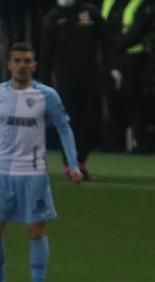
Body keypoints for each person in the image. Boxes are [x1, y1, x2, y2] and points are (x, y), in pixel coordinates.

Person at [0, 42, 82, 282]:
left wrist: (73, 164)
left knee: (36, 230)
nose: (22, 65)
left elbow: (64, 128)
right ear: (9, 64)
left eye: (27, 61)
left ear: (34, 65)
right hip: (2, 173)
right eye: (17, 60)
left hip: (33, 174)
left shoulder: (47, 96)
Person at [41, 0, 117, 181]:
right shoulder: (53, 19)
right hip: (66, 81)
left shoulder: (90, 13)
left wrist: (112, 67)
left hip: (91, 78)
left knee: (91, 121)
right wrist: (43, 85)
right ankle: (70, 166)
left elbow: (107, 42)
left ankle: (81, 162)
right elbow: (45, 56)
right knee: (70, 122)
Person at [102, 0, 154, 152]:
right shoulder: (108, 2)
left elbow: (137, 32)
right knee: (113, 103)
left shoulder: (142, 4)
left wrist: (115, 47)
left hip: (134, 60)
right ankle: (114, 144)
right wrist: (112, 59)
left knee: (134, 102)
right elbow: (102, 28)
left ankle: (140, 143)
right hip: (111, 60)